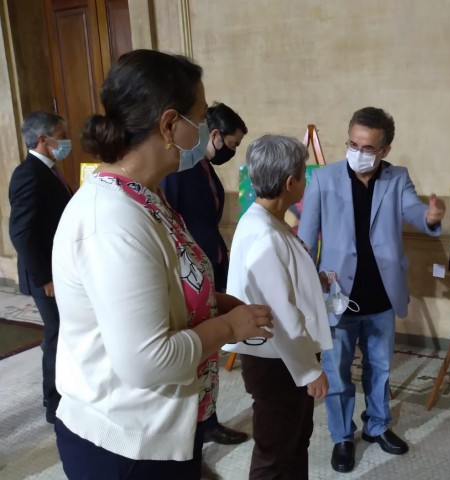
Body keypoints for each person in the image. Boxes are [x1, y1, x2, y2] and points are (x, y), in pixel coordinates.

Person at [50, 49, 273, 480]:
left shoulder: (146, 195)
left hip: (161, 428)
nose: (205, 129)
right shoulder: (111, 220)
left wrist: (213, 302)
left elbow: (162, 288)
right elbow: (148, 360)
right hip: (124, 443)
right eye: (200, 116)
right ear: (170, 124)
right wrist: (229, 328)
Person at [298, 106, 446, 473]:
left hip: (381, 295)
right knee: (337, 372)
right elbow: (306, 238)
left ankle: (377, 425)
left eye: (368, 148)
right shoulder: (324, 178)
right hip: (337, 295)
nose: (358, 152)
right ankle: (342, 436)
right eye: (353, 144)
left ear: (385, 149)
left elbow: (413, 210)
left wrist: (429, 218)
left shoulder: (397, 178)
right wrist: (306, 290)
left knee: (379, 368)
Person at [223, 135, 332, 479]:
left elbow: (280, 283)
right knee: (276, 450)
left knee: (294, 440)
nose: (304, 182)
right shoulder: (265, 234)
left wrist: (314, 282)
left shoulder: (265, 221)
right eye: (303, 174)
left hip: (280, 356)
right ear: (290, 182)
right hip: (278, 359)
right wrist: (309, 370)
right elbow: (280, 313)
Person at [161, 102, 250, 448]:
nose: (233, 151)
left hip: (209, 265)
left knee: (209, 354)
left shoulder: (203, 167)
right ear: (214, 135)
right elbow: (172, 227)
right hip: (189, 277)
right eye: (233, 143)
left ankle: (208, 421)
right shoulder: (178, 171)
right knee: (197, 351)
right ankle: (194, 429)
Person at [8, 111, 73, 425]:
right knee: (56, 333)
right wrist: (45, 277)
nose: (67, 141)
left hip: (58, 269)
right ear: (43, 139)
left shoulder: (49, 170)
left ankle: (67, 390)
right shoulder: (28, 174)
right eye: (62, 135)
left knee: (64, 331)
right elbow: (21, 233)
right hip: (45, 275)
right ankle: (54, 402)